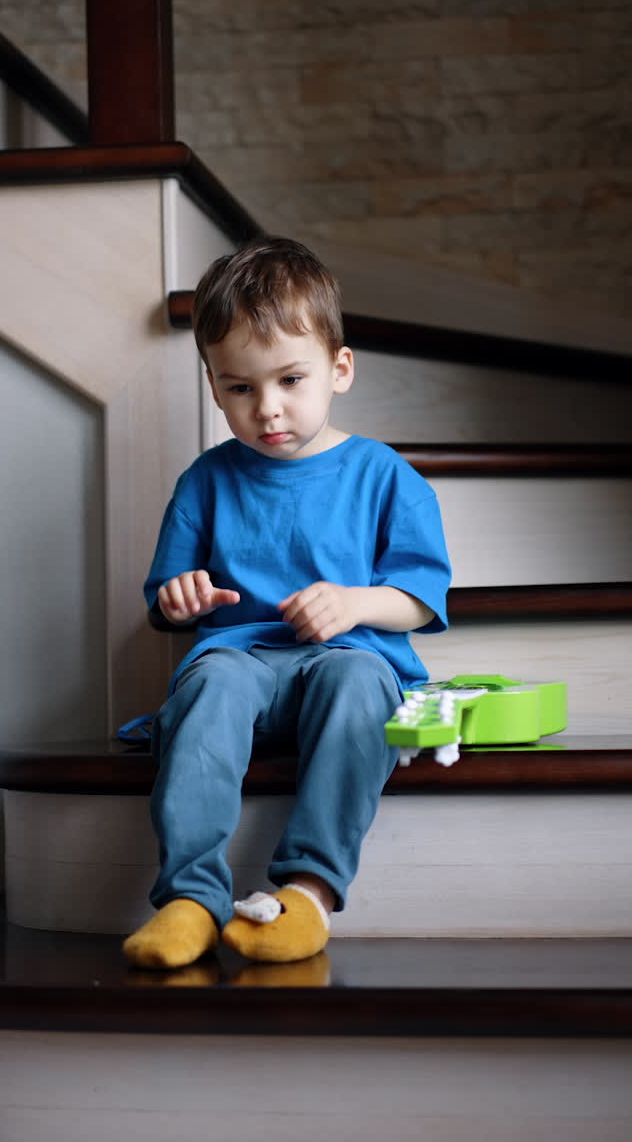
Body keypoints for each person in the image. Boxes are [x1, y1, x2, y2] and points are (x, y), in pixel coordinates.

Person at [123, 237, 451, 969]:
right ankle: (189, 899)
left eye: (290, 380)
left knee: (358, 683)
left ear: (340, 369)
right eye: (240, 388)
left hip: (346, 658)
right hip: (239, 660)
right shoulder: (205, 481)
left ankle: (308, 892)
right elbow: (165, 601)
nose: (267, 409)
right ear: (214, 389)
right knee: (207, 686)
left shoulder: (384, 476)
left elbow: (420, 599)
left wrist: (357, 604)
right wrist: (180, 600)